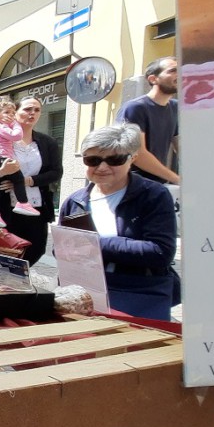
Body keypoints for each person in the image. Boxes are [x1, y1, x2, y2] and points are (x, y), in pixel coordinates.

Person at [58, 124, 178, 321]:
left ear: (133, 159)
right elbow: (63, 250)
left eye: (115, 159)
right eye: (93, 160)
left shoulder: (153, 195)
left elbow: (160, 252)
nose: (102, 167)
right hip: (85, 293)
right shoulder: (75, 201)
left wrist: (94, 243)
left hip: (140, 292)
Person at [0, 96, 62, 265]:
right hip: (5, 209)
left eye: (37, 110)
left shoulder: (47, 142)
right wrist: (1, 172)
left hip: (36, 208)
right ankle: (8, 285)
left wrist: (27, 181)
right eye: (27, 109)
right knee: (5, 253)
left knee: (36, 249)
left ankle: (18, 279)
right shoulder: (1, 137)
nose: (32, 113)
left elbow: (56, 173)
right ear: (15, 113)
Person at [116, 57, 180, 185]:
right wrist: (176, 179)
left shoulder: (175, 107)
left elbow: (180, 145)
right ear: (153, 79)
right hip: (132, 186)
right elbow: (138, 154)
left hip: (157, 185)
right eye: (173, 70)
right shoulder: (135, 108)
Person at [0, 97, 39, 227]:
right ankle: (22, 202)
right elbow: (16, 136)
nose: (11, 116)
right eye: (7, 113)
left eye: (13, 113)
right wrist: (15, 123)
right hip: (0, 159)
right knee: (18, 177)